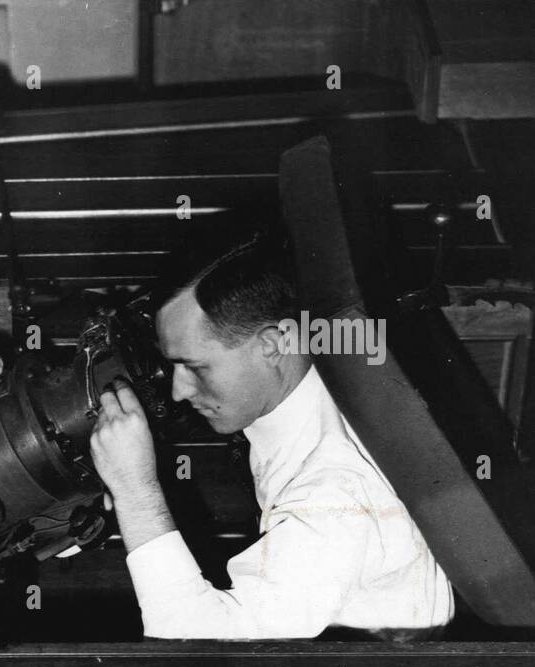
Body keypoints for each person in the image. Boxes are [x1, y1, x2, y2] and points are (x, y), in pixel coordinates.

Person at [88, 233, 454, 639]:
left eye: (195, 367)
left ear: (274, 344)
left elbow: (193, 643)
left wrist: (136, 494)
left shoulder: (336, 493)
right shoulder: (323, 380)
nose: (179, 390)